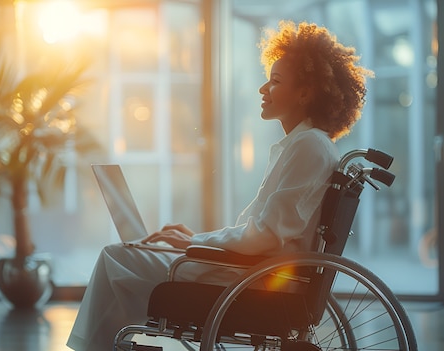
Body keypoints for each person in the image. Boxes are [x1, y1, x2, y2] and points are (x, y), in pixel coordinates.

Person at [66, 20, 372, 351]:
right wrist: (193, 241)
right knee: (133, 258)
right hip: (255, 271)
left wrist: (194, 242)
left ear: (305, 93)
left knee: (117, 257)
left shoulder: (308, 146)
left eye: (275, 81)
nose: (262, 90)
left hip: (254, 279)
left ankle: (106, 345)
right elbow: (265, 232)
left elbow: (266, 236)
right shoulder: (306, 145)